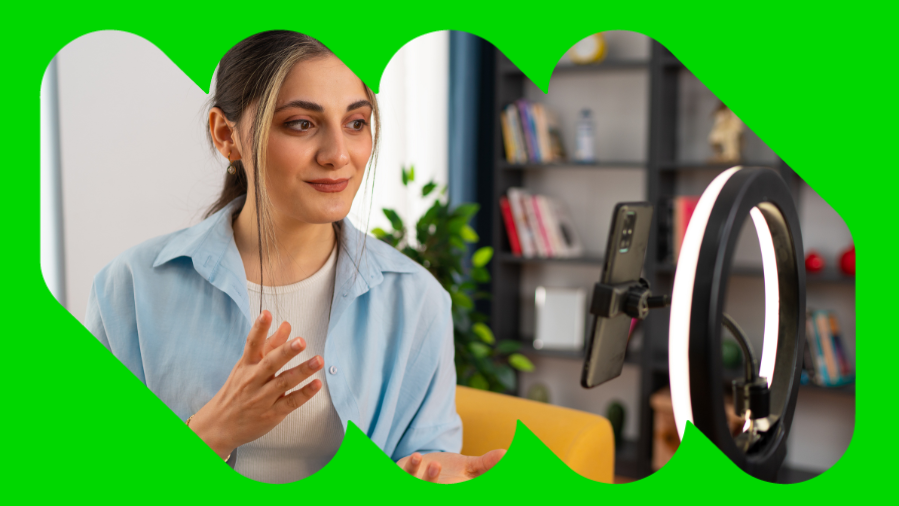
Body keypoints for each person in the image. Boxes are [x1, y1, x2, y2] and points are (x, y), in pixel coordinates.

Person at [85, 30, 504, 484]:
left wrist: (433, 476)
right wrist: (213, 432)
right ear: (227, 136)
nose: (338, 155)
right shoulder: (129, 289)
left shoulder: (417, 299)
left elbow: (427, 456)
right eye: (301, 123)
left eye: (356, 123)